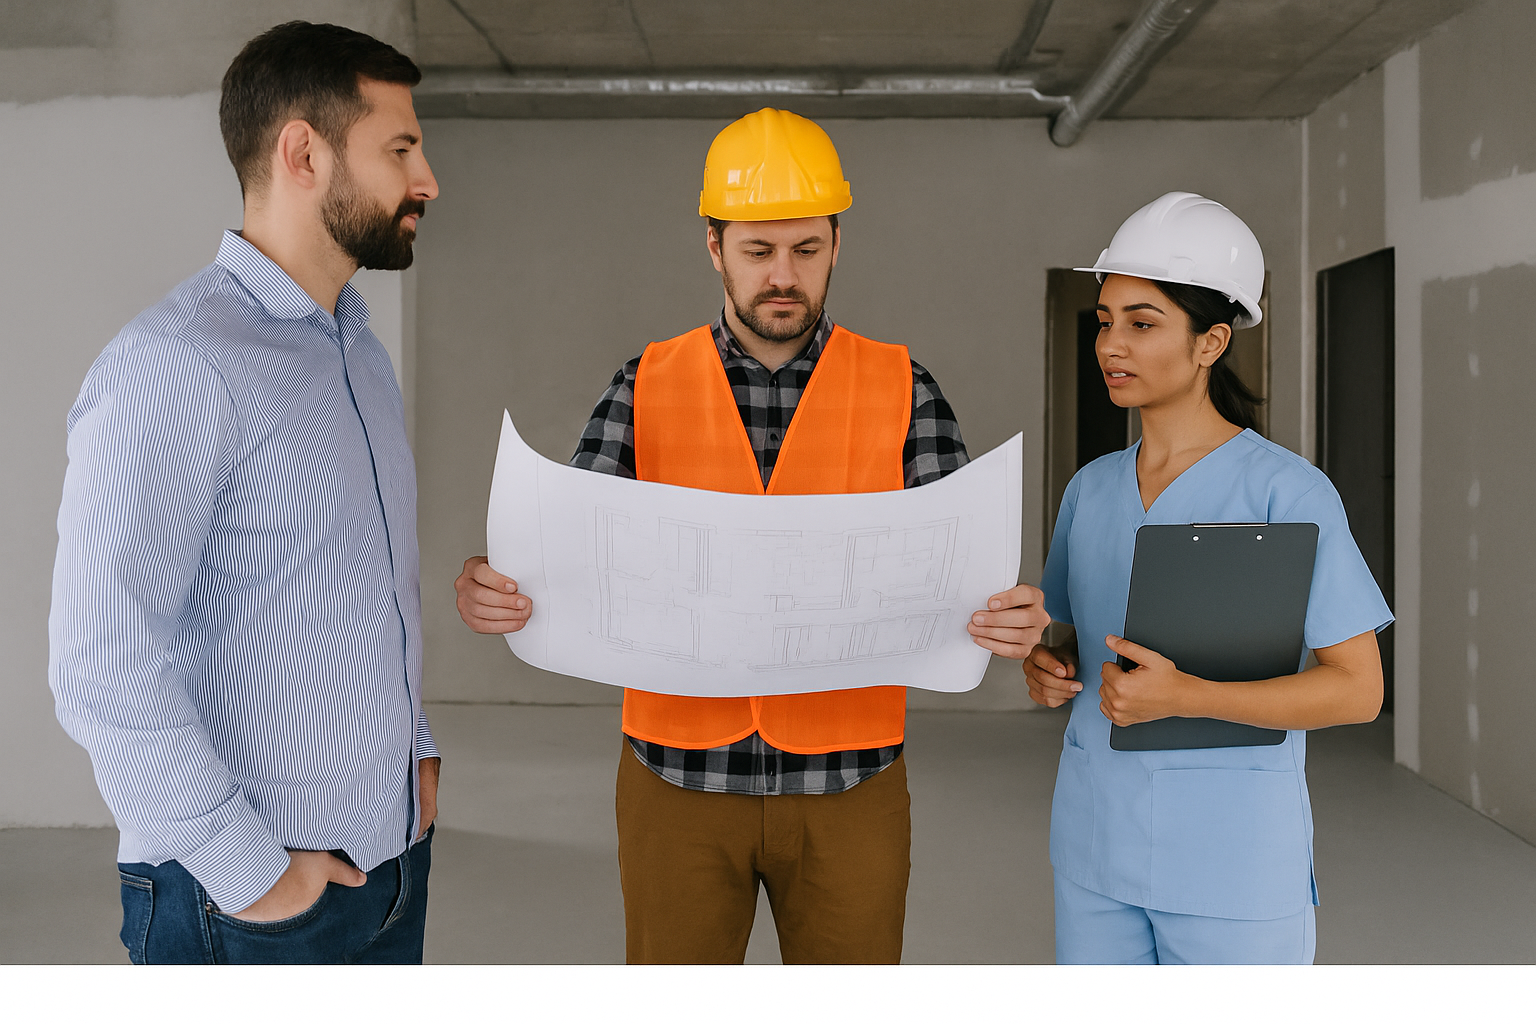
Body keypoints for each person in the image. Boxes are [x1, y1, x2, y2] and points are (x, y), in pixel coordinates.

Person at [455, 107, 1050, 964]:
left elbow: (963, 575)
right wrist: (499, 582)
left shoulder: (903, 386)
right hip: (676, 777)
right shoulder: (645, 384)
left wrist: (1007, 616)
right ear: (714, 247)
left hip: (850, 779)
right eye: (758, 250)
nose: (783, 275)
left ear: (837, 244)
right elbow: (567, 554)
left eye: (806, 249)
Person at [48, 21, 442, 964]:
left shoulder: (358, 351)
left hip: (390, 865)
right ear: (303, 153)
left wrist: (415, 752)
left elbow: (364, 585)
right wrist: (252, 874)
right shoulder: (175, 364)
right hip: (247, 903)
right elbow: (100, 661)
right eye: (400, 150)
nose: (427, 180)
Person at [1020, 192, 1393, 964]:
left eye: (1142, 323)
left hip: (1233, 862)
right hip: (1095, 848)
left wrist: (1189, 697)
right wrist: (1047, 667)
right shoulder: (1090, 489)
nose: (1111, 344)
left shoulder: (1287, 493)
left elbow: (1358, 690)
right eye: (1105, 320)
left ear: (1211, 342)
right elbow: (1074, 640)